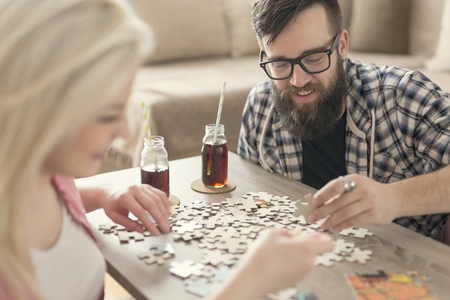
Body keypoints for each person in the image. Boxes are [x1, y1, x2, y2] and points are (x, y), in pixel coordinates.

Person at [0, 0, 333, 299]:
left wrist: (100, 191)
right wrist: (249, 284)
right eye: (107, 114)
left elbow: (51, 193)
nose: (126, 131)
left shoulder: (43, 172)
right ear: (37, 106)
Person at [238, 0, 450, 243]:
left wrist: (394, 199)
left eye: (314, 58)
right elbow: (252, 206)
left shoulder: (404, 95)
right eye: (280, 63)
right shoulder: (260, 107)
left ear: (342, 45)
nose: (298, 80)